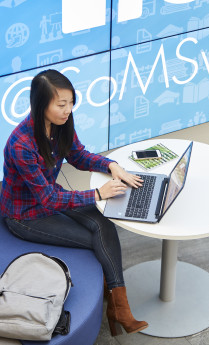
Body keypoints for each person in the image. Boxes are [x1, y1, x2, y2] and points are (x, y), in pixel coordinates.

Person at [0, 69, 148, 336]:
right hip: (25, 215)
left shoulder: (60, 123)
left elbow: (78, 156)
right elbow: (48, 198)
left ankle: (117, 305)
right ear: (40, 104)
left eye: (70, 102)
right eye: (61, 104)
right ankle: (117, 304)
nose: (68, 110)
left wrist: (112, 165)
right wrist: (97, 194)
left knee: (104, 224)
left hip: (49, 198)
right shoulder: (21, 144)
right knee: (95, 237)